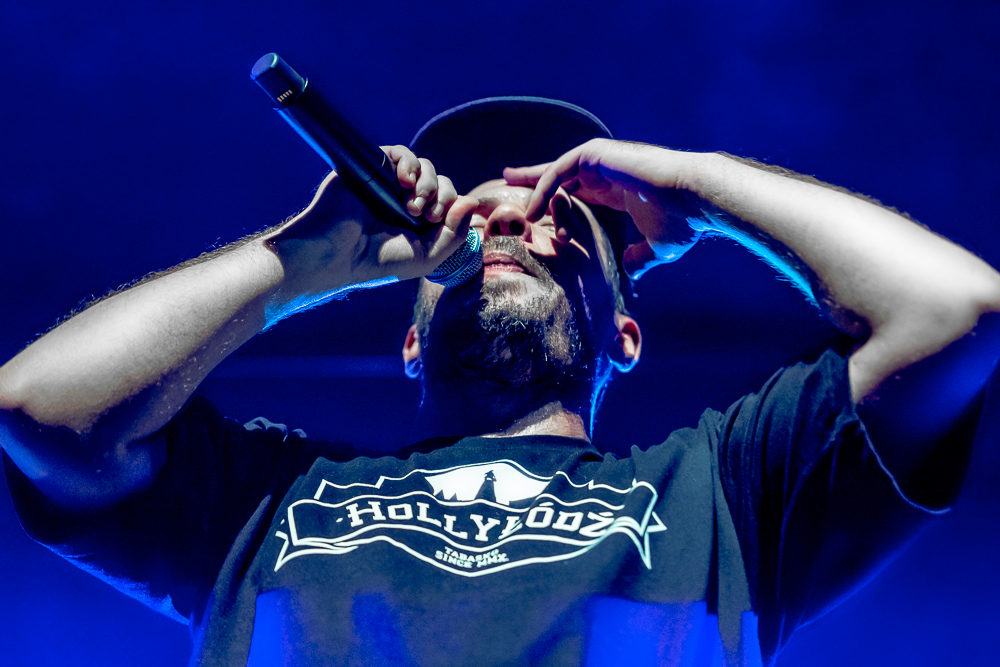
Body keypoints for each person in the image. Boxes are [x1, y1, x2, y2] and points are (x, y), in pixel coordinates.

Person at [1, 97, 997, 666]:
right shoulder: (266, 497)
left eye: (564, 222)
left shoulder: (724, 491)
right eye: (470, 227)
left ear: (626, 333)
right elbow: (40, 407)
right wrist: (304, 261)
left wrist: (699, 187)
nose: (511, 223)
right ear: (408, 339)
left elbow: (955, 310)